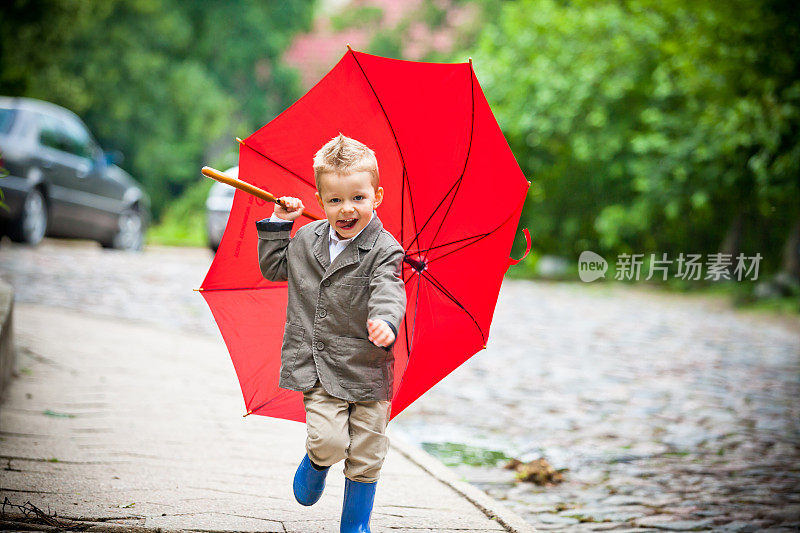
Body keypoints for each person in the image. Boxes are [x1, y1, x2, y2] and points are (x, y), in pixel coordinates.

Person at [255, 133, 407, 533]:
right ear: (320, 202)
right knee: (330, 441)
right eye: (335, 200)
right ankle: (316, 461)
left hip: (369, 369)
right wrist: (280, 224)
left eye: (358, 197)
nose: (347, 209)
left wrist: (385, 321)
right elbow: (274, 269)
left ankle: (355, 526)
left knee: (367, 454)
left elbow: (389, 289)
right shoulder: (307, 239)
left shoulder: (385, 249)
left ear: (377, 196)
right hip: (321, 366)